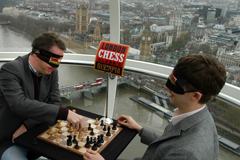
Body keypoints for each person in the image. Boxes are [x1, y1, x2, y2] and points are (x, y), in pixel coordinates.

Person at [83, 54, 226, 160]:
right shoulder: (202, 117)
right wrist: (140, 129)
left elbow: (178, 150)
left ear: (195, 96)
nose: (165, 87)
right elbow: (169, 145)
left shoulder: (187, 154)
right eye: (168, 80)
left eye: (173, 85)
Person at [0, 32, 86, 160]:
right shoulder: (10, 70)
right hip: (8, 140)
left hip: (36, 133)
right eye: (53, 60)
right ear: (37, 55)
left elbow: (54, 103)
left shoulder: (51, 72)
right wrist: (65, 113)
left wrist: (27, 125)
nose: (55, 67)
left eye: (59, 61)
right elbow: (19, 104)